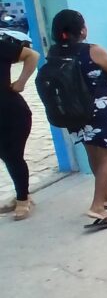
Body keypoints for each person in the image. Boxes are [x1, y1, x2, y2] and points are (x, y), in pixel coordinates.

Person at [50, 10, 107, 229]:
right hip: (98, 110)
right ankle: (97, 206)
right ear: (82, 29)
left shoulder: (54, 53)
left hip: (73, 112)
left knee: (93, 152)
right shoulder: (92, 50)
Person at [0, 29, 39, 220]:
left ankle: (23, 199)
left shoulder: (2, 47)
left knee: (13, 156)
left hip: (11, 113)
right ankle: (22, 194)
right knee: (7, 157)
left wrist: (21, 82)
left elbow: (32, 55)